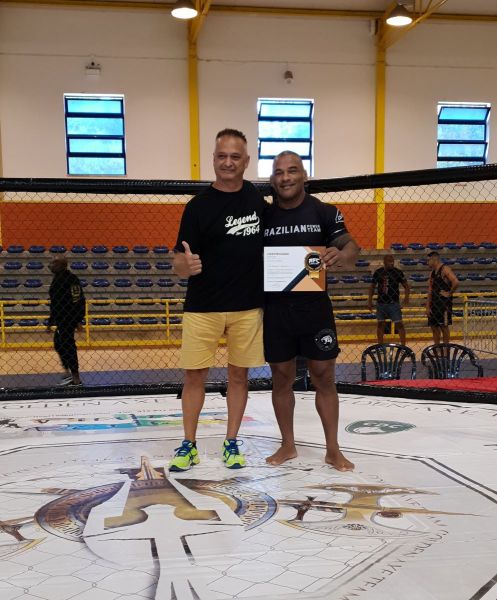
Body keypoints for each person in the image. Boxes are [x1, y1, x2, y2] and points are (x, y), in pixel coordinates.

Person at [169, 128, 266, 472]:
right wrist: (184, 266)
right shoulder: (197, 207)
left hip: (247, 307)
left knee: (239, 377)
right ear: (213, 159)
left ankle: (231, 441)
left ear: (246, 161)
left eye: (235, 156)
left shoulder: (256, 200)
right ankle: (189, 444)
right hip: (203, 306)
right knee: (194, 377)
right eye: (222, 156)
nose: (228, 162)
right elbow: (178, 261)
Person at [263, 151, 360, 471]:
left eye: (292, 171)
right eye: (279, 172)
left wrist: (342, 255)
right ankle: (287, 444)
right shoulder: (263, 216)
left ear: (304, 175)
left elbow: (351, 247)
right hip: (277, 310)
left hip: (315, 310)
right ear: (272, 179)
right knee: (281, 378)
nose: (285, 177)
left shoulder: (324, 211)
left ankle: (333, 449)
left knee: (324, 377)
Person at [46, 256, 85, 386]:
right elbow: (54, 303)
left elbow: (78, 299)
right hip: (60, 318)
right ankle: (68, 372)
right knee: (59, 344)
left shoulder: (71, 279)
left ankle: (75, 377)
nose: (50, 265)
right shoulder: (56, 279)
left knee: (68, 345)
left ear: (61, 265)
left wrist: (78, 320)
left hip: (69, 318)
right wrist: (51, 321)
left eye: (54, 263)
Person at [367, 254, 410, 345]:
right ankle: (380, 345)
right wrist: (370, 301)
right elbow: (372, 287)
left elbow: (406, 286)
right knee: (380, 324)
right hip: (381, 303)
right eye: (389, 261)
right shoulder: (378, 272)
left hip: (393, 303)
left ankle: (403, 346)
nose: (392, 263)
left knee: (399, 324)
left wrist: (406, 297)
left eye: (392, 261)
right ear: (384, 262)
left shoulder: (398, 272)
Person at [426, 250, 458, 344]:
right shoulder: (432, 273)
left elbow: (456, 282)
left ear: (434, 260)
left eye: (428, 260)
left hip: (443, 304)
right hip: (434, 304)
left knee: (444, 326)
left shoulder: (445, 269)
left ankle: (445, 348)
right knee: (434, 327)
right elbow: (430, 290)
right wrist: (427, 306)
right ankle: (437, 348)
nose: (427, 263)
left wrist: (449, 293)